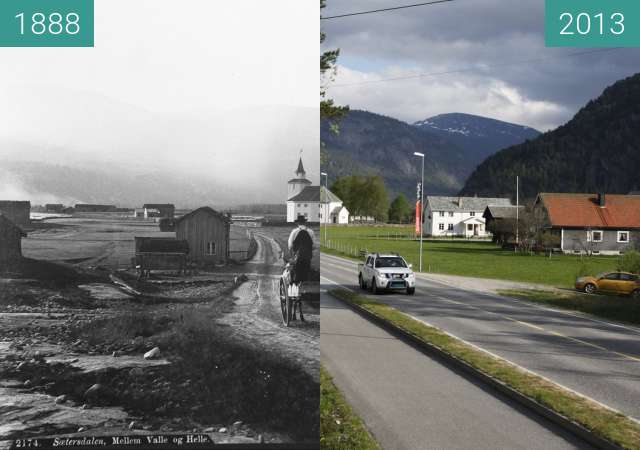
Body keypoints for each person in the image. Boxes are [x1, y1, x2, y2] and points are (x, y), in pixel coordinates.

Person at [287, 215, 315, 285]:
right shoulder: (311, 232)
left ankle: (296, 284)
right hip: (307, 256)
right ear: (305, 223)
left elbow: (290, 245)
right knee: (306, 271)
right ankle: (306, 285)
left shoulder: (294, 231)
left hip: (297, 256)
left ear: (298, 223)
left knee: (297, 271)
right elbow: (314, 246)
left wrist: (292, 254)